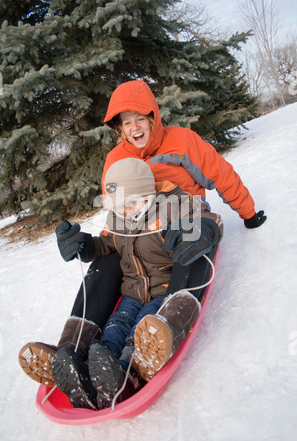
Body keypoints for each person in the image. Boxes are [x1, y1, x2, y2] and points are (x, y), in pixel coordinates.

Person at [18, 80, 266, 392]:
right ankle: (70, 352)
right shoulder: (115, 159)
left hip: (184, 223)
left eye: (139, 118)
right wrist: (86, 246)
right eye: (126, 121)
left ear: (152, 117)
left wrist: (247, 212)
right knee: (106, 263)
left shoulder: (182, 141)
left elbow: (221, 174)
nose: (134, 127)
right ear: (119, 128)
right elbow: (118, 217)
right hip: (137, 230)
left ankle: (155, 339)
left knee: (187, 252)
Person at [51, 157, 223, 409]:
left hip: (164, 289)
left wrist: (202, 229)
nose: (124, 211)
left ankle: (127, 372)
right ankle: (97, 371)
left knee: (142, 330)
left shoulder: (174, 205)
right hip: (131, 291)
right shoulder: (119, 217)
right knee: (116, 325)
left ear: (148, 193)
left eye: (131, 204)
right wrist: (84, 246)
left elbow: (211, 218)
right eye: (119, 206)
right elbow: (107, 245)